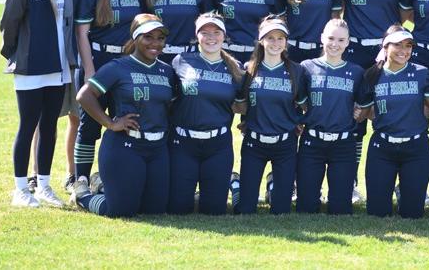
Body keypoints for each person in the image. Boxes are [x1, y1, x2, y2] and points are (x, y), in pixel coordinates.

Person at [0, 0, 77, 207]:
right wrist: (16, 54)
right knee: (28, 125)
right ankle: (21, 189)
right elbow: (9, 22)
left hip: (59, 67)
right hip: (31, 66)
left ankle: (43, 184)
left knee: (49, 126)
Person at [70, 14, 175, 217]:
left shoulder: (167, 71)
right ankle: (83, 195)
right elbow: (84, 95)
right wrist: (110, 123)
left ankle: (103, 184)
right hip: (126, 148)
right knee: (120, 210)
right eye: (148, 37)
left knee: (155, 210)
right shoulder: (118, 67)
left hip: (157, 150)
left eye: (160, 38)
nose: (155, 43)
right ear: (135, 38)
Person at [337, 0, 412, 202]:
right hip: (355, 52)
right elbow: (339, 14)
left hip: (386, 53)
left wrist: (387, 41)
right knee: (355, 119)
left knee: (396, 115)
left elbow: (404, 15)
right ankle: (350, 183)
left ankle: (404, 182)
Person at [74, 0, 143, 186]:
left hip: (125, 63)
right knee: (91, 124)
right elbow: (81, 33)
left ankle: (107, 176)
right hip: (99, 59)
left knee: (122, 119)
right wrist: (89, 70)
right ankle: (80, 177)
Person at [357, 24, 429, 218]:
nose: (404, 51)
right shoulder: (372, 74)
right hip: (383, 147)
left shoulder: (422, 73)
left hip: (416, 148)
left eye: (408, 46)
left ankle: (405, 190)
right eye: (398, 45)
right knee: (377, 212)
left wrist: (412, 114)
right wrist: (360, 113)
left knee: (413, 213)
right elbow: (366, 111)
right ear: (385, 48)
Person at [168, 13, 243, 215]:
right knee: (178, 208)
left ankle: (234, 185)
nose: (211, 37)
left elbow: (243, 105)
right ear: (196, 36)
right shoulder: (181, 61)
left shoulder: (236, 68)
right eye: (205, 32)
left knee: (213, 210)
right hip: (183, 142)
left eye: (216, 32)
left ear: (224, 36)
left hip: (218, 144)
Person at [233, 16, 306, 214]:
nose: (275, 43)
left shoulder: (297, 71)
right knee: (245, 210)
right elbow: (240, 105)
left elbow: (305, 105)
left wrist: (297, 122)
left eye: (280, 38)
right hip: (254, 143)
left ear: (286, 41)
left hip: (285, 145)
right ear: (261, 40)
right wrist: (246, 121)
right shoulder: (248, 70)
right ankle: (236, 186)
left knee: (281, 210)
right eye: (270, 38)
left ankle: (273, 186)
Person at [296, 19, 364, 214]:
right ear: (322, 38)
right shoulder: (306, 67)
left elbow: (362, 106)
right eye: (331, 38)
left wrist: (359, 110)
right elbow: (300, 101)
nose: (335, 44)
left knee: (340, 209)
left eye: (341, 40)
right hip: (313, 141)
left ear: (348, 42)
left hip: (343, 144)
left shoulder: (356, 72)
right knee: (306, 207)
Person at [58, 0, 103, 193]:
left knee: (79, 116)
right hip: (59, 51)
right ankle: (39, 174)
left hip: (89, 53)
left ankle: (74, 174)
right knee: (46, 116)